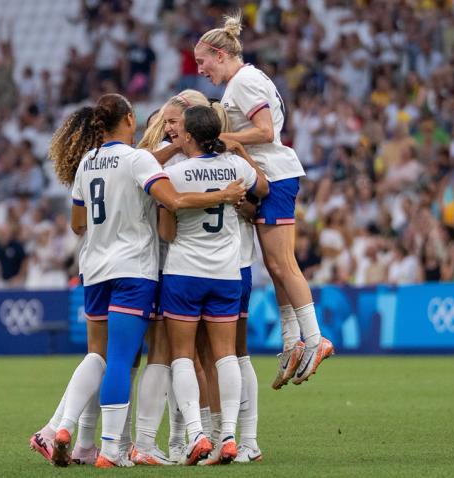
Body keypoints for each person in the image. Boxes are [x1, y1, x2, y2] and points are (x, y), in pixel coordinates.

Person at [29, 93, 246, 468]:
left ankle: (63, 430)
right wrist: (224, 194)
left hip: (94, 269)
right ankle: (112, 449)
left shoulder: (87, 163)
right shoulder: (139, 159)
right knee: (121, 360)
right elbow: (173, 201)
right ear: (129, 119)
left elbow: (77, 224)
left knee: (96, 355)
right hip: (133, 270)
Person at [194, 12, 333, 390]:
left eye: (202, 61)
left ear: (220, 54)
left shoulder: (243, 82)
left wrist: (229, 139)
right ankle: (292, 341)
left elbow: (266, 131)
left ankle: (315, 339)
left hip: (275, 173)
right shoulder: (246, 80)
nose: (200, 69)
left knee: (283, 263)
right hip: (269, 173)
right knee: (274, 266)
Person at [158, 105, 268, 465]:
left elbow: (166, 231)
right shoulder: (235, 167)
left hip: (184, 273)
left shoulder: (175, 172)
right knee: (226, 356)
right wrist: (241, 153)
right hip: (226, 274)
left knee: (183, 357)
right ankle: (231, 437)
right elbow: (263, 188)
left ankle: (197, 434)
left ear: (189, 135)